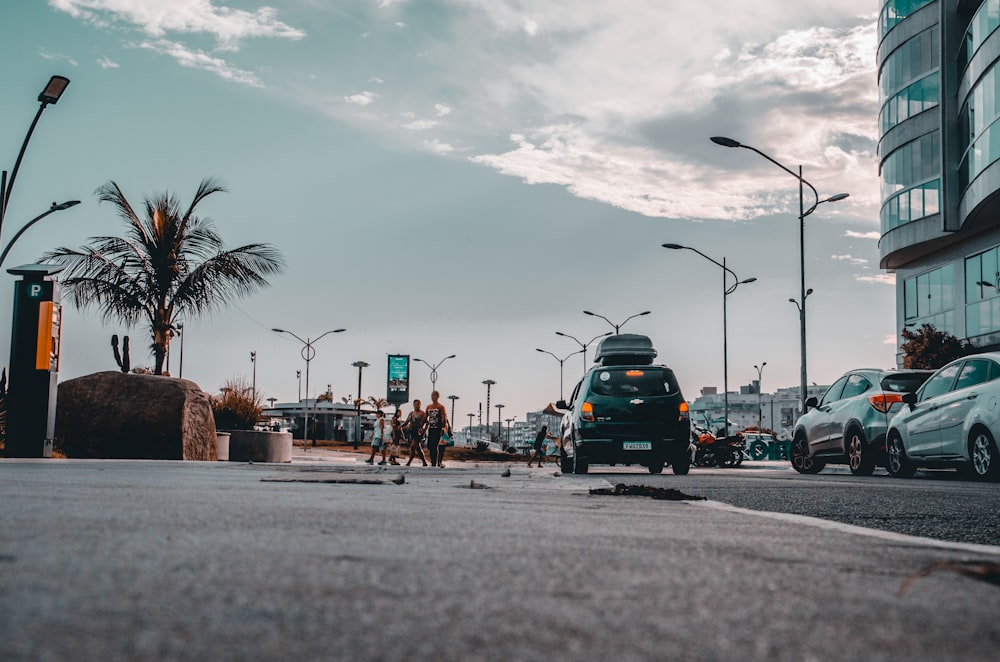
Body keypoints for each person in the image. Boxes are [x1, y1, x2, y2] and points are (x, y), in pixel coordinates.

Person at [425, 390, 450, 467]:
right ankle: (433, 460)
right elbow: (425, 417)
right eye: (432, 395)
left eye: (434, 395)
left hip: (438, 428)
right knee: (429, 446)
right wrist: (423, 428)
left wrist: (443, 428)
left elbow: (444, 418)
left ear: (437, 396)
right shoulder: (429, 407)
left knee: (434, 445)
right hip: (431, 428)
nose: (433, 397)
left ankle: (435, 462)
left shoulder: (441, 407)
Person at [404, 399, 428, 467]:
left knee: (412, 447)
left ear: (420, 405)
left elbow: (427, 423)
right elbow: (406, 421)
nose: (416, 405)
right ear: (413, 405)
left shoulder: (422, 413)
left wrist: (423, 430)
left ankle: (409, 462)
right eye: (415, 404)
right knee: (418, 448)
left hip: (418, 432)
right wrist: (400, 426)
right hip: (412, 431)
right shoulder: (411, 413)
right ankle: (424, 462)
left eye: (418, 404)